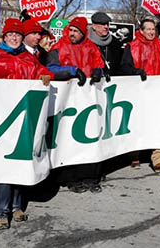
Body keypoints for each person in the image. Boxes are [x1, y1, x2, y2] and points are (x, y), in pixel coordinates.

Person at [0, 18, 53, 230]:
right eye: (10, 35)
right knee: (4, 167)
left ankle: (16, 206)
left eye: (17, 35)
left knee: (21, 163)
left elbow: (43, 73)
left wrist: (48, 77)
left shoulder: (28, 58)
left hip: (23, 120)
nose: (14, 38)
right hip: (1, 122)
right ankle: (1, 211)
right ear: (4, 37)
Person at [46, 16, 105, 193]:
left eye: (76, 31)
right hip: (68, 99)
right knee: (69, 136)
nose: (72, 34)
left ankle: (90, 176)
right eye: (70, 30)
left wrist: (98, 71)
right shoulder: (58, 47)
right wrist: (71, 71)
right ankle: (69, 177)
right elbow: (50, 69)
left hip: (88, 98)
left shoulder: (91, 48)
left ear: (82, 33)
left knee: (90, 135)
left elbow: (100, 64)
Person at [120, 18, 160, 173]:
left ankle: (158, 159)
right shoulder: (132, 46)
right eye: (148, 29)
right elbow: (124, 68)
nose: (151, 32)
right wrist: (136, 71)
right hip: (139, 92)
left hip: (157, 92)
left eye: (153, 29)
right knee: (138, 123)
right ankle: (134, 155)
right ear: (141, 30)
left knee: (156, 125)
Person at [87, 12, 124, 77]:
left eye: (107, 24)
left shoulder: (115, 42)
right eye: (103, 24)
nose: (106, 27)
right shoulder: (86, 43)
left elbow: (122, 65)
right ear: (94, 26)